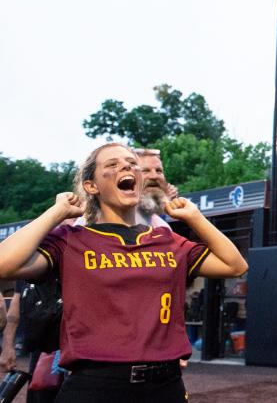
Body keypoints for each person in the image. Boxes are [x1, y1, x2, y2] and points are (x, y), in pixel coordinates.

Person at [0, 142, 248, 402]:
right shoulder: (71, 239)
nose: (126, 167)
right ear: (91, 186)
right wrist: (56, 212)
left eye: (131, 164)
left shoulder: (166, 239)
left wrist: (196, 217)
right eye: (112, 164)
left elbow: (235, 265)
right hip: (95, 385)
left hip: (165, 385)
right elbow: (4, 263)